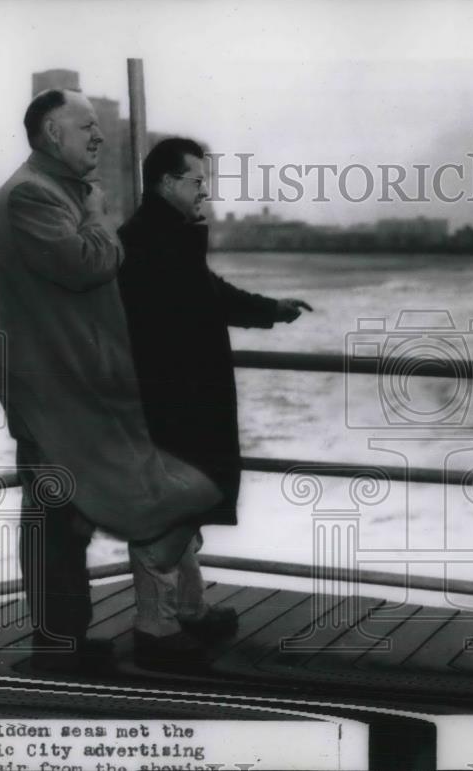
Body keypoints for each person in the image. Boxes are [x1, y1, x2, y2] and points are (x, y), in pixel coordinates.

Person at [0, 91, 221, 674]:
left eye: (98, 126)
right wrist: (99, 215)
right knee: (55, 524)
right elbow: (84, 264)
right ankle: (57, 648)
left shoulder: (61, 192)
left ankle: (68, 638)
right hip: (48, 390)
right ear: (50, 131)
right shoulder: (30, 195)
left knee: (72, 520)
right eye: (86, 126)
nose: (98, 136)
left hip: (76, 388)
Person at [117, 137, 312, 670]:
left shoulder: (159, 235)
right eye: (196, 181)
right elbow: (205, 299)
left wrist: (270, 308)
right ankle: (156, 627)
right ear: (166, 183)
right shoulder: (152, 241)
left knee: (185, 500)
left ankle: (188, 607)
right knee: (173, 505)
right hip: (175, 400)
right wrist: (269, 309)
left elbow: (206, 293)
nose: (205, 189)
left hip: (179, 396)